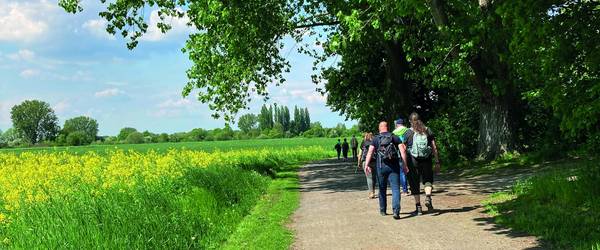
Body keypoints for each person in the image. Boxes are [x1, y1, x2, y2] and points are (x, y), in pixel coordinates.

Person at [364, 121, 409, 220]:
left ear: (379, 128)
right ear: (387, 127)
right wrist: (405, 164)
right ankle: (396, 211)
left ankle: (383, 210)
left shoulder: (376, 139)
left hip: (381, 167)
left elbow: (370, 152)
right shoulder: (394, 137)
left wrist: (366, 165)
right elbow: (403, 150)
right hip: (394, 166)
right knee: (396, 189)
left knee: (382, 188)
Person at [404, 112, 441, 215]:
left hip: (413, 161)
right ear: (420, 119)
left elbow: (402, 148)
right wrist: (437, 161)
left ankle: (418, 208)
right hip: (427, 160)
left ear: (410, 121)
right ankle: (428, 197)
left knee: (414, 183)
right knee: (428, 180)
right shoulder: (427, 130)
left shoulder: (408, 133)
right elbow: (434, 147)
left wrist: (404, 163)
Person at [392, 118, 410, 196]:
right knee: (410, 170)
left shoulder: (394, 132)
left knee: (402, 172)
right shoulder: (408, 130)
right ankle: (413, 188)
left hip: (399, 154)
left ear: (397, 124)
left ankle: (405, 190)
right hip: (409, 153)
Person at [357, 133, 377, 199]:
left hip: (365, 161)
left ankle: (371, 193)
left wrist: (359, 163)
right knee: (374, 177)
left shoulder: (363, 142)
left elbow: (359, 154)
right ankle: (373, 191)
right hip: (374, 161)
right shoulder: (375, 142)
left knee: (369, 177)